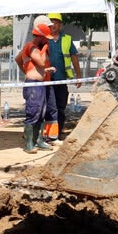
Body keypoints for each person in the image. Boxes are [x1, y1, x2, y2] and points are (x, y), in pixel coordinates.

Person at [14, 20, 57, 154]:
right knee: (33, 113)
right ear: (40, 36)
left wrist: (44, 71)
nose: (47, 41)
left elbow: (40, 65)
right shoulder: (31, 47)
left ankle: (38, 140)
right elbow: (41, 62)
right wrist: (28, 72)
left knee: (41, 113)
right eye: (45, 38)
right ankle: (28, 144)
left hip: (40, 84)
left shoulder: (35, 48)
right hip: (33, 86)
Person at [44, 12, 82, 141]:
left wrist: (78, 75)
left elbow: (74, 57)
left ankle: (57, 133)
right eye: (51, 22)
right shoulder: (43, 39)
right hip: (46, 80)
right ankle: (48, 134)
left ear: (60, 24)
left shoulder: (66, 39)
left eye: (56, 22)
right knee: (48, 107)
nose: (53, 24)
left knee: (60, 107)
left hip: (61, 80)